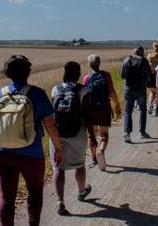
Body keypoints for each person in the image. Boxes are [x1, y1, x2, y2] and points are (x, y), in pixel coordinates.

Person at [0, 55, 63, 226]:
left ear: (7, 73)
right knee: (35, 192)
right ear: (28, 72)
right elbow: (50, 124)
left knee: (7, 197)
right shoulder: (37, 94)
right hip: (31, 154)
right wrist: (59, 148)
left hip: (3, 153)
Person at [50, 61, 97, 216]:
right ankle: (82, 191)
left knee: (58, 167)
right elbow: (87, 116)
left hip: (57, 135)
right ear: (78, 74)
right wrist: (92, 136)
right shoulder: (83, 90)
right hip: (77, 133)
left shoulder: (55, 89)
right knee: (79, 164)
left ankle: (60, 202)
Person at [83, 54, 121, 171]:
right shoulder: (106, 75)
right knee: (104, 135)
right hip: (104, 108)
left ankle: (94, 158)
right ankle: (101, 152)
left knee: (92, 135)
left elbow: (84, 96)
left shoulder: (86, 78)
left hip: (91, 110)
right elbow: (112, 92)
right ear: (99, 63)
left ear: (89, 64)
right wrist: (117, 105)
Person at [120, 46, 152, 143]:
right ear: (142, 52)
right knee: (142, 110)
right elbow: (149, 77)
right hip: (141, 89)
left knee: (128, 111)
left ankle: (127, 134)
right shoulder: (145, 61)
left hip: (129, 89)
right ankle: (142, 132)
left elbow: (122, 75)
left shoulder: (126, 60)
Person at [147, 43, 158, 116]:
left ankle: (150, 105)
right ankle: (156, 110)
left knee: (151, 92)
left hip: (150, 76)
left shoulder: (149, 56)